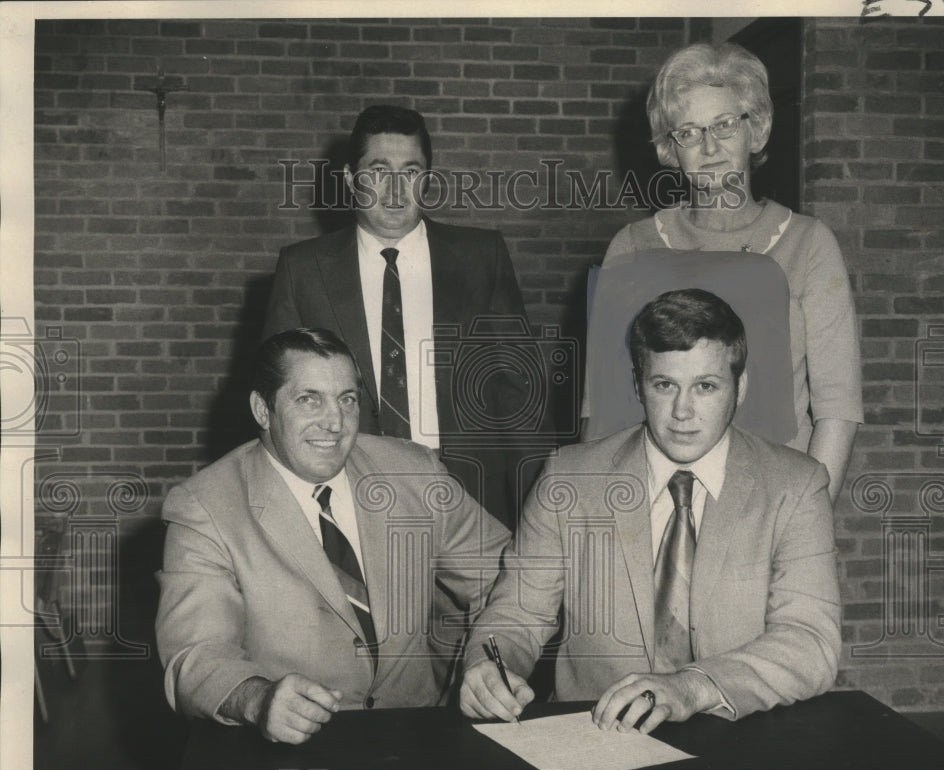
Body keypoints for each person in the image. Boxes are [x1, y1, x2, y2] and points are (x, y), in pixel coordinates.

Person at [460, 289, 841, 732]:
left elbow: (810, 641)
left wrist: (691, 687)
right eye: (665, 385)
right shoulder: (569, 478)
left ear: (740, 388)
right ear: (637, 386)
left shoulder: (795, 485)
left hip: (741, 733)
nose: (683, 411)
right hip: (595, 735)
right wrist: (494, 666)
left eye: (705, 386)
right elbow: (517, 616)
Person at [156, 329, 509, 744]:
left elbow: (512, 578)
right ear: (262, 410)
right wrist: (258, 699)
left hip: (420, 737)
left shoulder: (413, 472)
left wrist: (488, 657)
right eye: (309, 399)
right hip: (285, 749)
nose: (336, 423)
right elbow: (194, 655)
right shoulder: (205, 507)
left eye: (347, 399)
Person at [586, 42, 862, 502]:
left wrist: (804, 522)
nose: (710, 147)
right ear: (669, 150)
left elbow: (838, 411)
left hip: (770, 503)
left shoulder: (808, 245)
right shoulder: (633, 246)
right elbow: (600, 414)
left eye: (725, 125)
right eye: (689, 133)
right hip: (656, 502)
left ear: (758, 131)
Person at [263, 105, 545, 530]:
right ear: (349, 179)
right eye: (378, 171)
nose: (395, 191)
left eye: (410, 172)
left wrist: (539, 514)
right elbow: (278, 399)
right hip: (349, 496)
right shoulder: (304, 269)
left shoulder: (480, 258)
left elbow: (519, 398)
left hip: (470, 497)